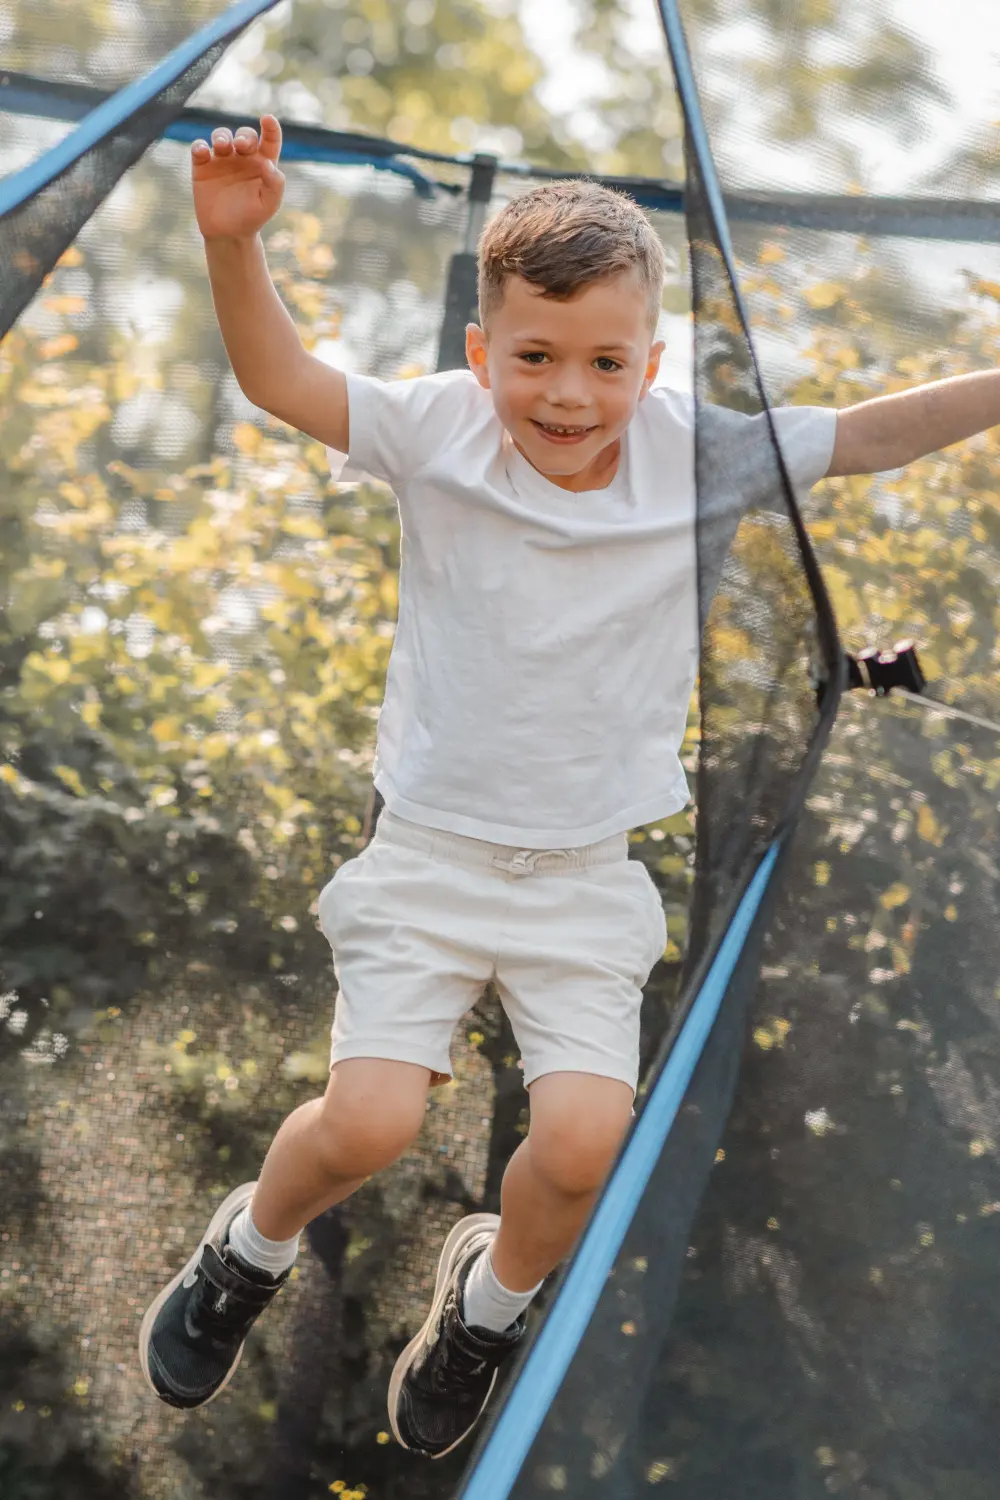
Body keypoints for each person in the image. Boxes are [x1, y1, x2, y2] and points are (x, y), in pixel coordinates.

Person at [139, 115, 1000, 1456]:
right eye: (533, 357)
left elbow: (880, 434)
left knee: (585, 1148)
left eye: (604, 363)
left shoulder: (692, 451)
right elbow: (282, 380)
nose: (566, 393)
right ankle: (244, 1249)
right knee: (369, 1121)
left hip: (586, 876)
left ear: (648, 367)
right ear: (483, 353)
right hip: (430, 856)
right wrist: (232, 242)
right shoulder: (435, 430)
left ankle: (485, 1308)